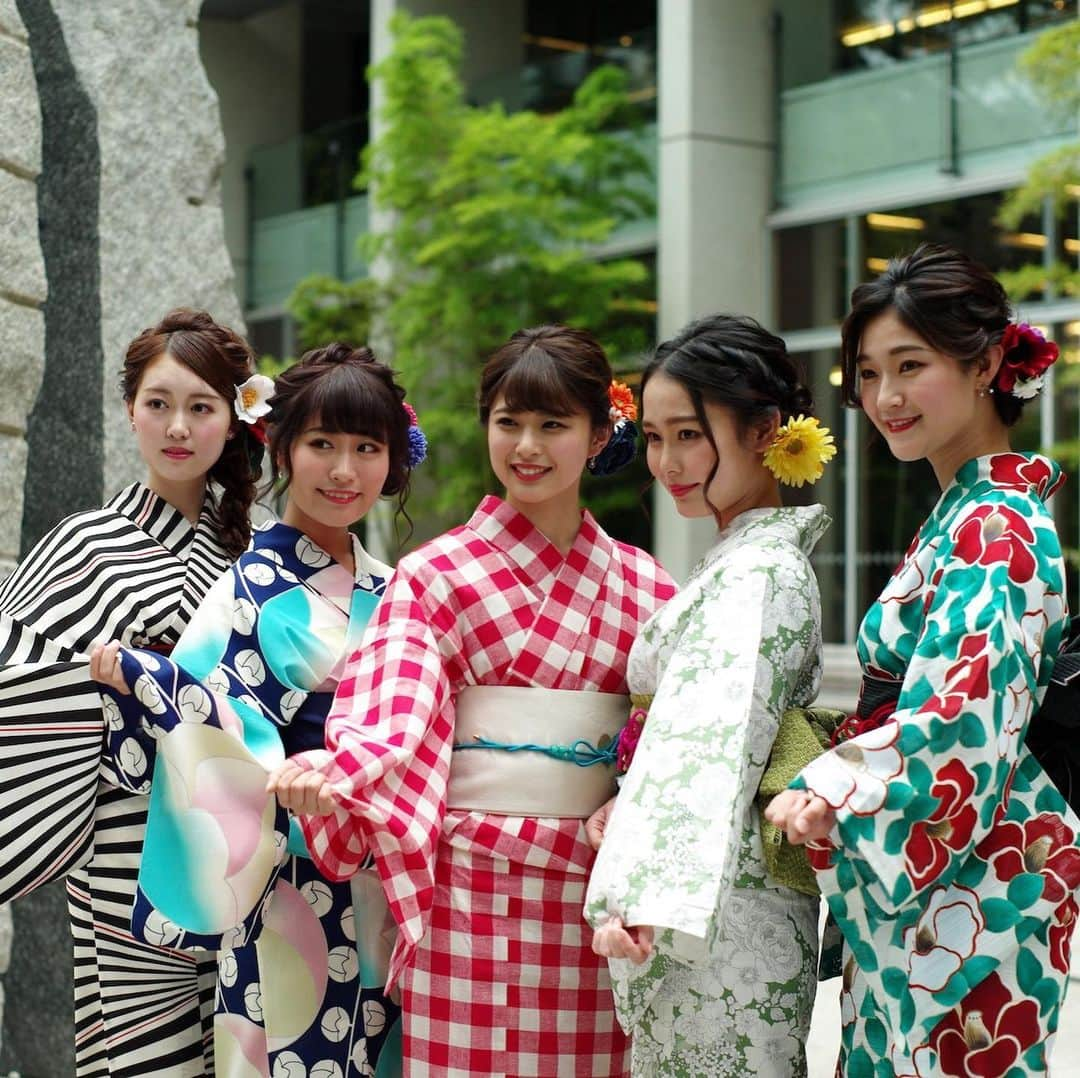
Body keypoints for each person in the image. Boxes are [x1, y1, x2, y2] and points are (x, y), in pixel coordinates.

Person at [269, 324, 677, 1076]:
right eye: (508, 421)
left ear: (596, 436)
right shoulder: (436, 575)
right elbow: (397, 711)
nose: (526, 444)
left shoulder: (649, 588)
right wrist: (343, 770)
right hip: (468, 896)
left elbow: (670, 741)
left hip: (591, 899)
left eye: (552, 424)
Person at [766, 243, 1080, 1076]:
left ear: (985, 364)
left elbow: (964, 711)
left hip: (977, 882)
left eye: (911, 366)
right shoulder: (969, 510)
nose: (885, 397)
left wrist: (838, 780)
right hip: (955, 874)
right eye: (867, 375)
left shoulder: (995, 526)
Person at [89, 342, 416, 1077]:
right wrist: (150, 680)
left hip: (388, 879)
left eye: (367, 447)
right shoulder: (249, 587)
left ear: (393, 460)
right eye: (322, 444)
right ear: (282, 448)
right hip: (291, 889)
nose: (343, 470)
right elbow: (219, 734)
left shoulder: (400, 589)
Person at [0, 308, 263, 1076]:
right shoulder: (85, 542)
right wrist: (114, 690)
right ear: (129, 411)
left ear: (233, 419)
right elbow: (13, 680)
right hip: (126, 865)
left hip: (252, 858)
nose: (177, 427)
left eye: (201, 407)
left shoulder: (259, 545)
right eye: (158, 404)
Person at [584, 314, 837, 1077]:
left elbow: (711, 746)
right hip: (722, 888)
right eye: (655, 438)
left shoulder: (758, 571)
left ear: (766, 431)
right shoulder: (742, 559)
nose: (666, 460)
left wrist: (637, 891)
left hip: (717, 903)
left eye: (689, 434)